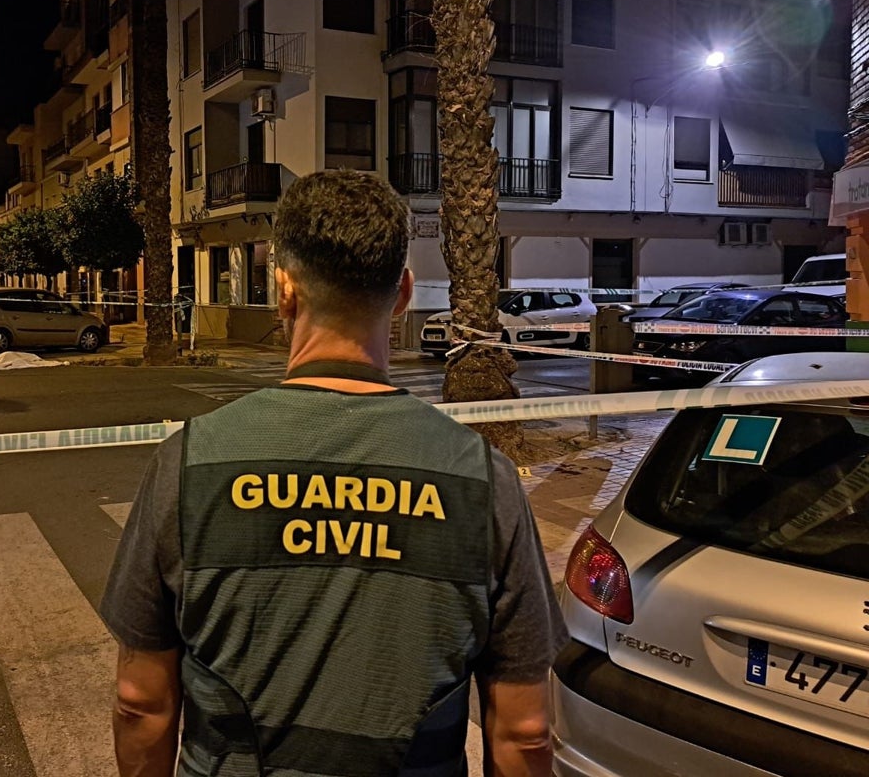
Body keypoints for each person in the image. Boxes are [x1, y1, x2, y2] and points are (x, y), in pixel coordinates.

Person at [101, 169, 567, 777]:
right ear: (401, 294)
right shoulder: (484, 481)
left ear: (284, 292)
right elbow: (525, 732)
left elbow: (141, 701)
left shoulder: (188, 463)